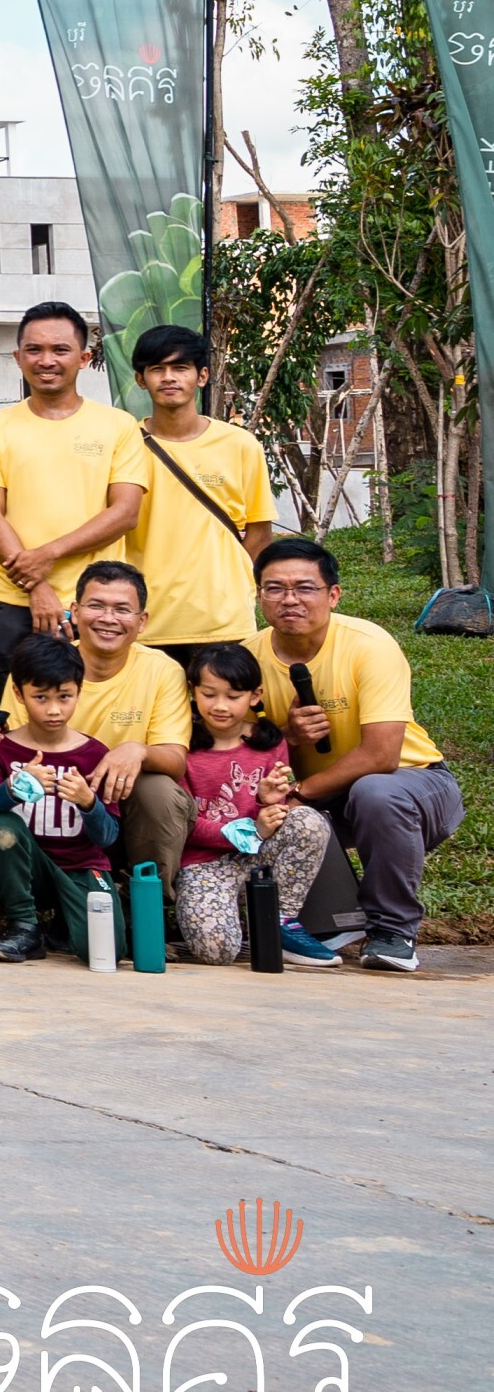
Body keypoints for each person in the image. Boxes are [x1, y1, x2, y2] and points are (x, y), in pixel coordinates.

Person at [251, 535, 458, 972]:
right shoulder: (248, 656)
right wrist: (289, 734)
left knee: (375, 792)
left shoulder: (369, 644)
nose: (290, 599)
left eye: (305, 587)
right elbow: (237, 745)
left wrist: (302, 792)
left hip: (414, 784)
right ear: (259, 595)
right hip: (325, 799)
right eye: (275, 588)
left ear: (333, 594)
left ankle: (393, 933)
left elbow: (382, 755)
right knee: (263, 804)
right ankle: (331, 919)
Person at [0, 300, 148, 686]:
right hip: (16, 602)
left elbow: (125, 513)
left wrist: (47, 555)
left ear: (84, 358)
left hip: (98, 605)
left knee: (91, 720)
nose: (46, 360)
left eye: (60, 350)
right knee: (11, 722)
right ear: (18, 357)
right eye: (34, 350)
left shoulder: (118, 426)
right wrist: (37, 585)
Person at [172, 642, 341, 969]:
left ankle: (279, 919)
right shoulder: (181, 746)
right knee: (216, 951)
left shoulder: (268, 741)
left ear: (254, 695)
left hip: (258, 855)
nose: (220, 706)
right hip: (204, 862)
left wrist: (268, 800)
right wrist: (251, 829)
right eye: (209, 694)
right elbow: (183, 823)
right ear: (193, 691)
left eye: (233, 696)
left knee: (306, 821)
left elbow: (276, 811)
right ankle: (231, 909)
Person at [126, 323, 275, 649]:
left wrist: (236, 588)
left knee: (227, 702)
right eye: (157, 369)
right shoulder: (123, 445)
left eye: (180, 368)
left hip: (224, 620)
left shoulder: (240, 444)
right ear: (141, 379)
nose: (169, 378)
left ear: (202, 376)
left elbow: (260, 532)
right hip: (144, 621)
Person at [0, 635, 120, 962]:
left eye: (65, 697)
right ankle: (24, 927)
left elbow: (109, 836)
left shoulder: (95, 754)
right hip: (25, 872)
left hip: (80, 869)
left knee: (109, 950)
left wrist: (88, 803)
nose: (54, 710)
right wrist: (13, 788)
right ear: (18, 693)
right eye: (40, 697)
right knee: (2, 824)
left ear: (79, 692)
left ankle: (62, 927)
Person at [67, 558, 195, 886]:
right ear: (75, 612)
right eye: (96, 606)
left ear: (142, 621)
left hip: (130, 806)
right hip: (61, 794)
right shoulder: (45, 665)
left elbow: (175, 760)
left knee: (159, 792)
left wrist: (137, 750)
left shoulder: (163, 670)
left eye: (122, 609)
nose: (108, 619)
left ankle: (145, 903)